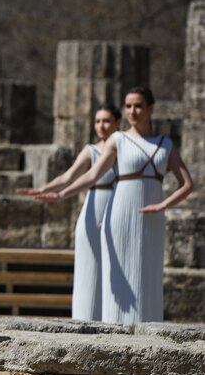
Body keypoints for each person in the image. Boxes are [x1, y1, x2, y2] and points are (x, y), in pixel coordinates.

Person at [37, 87, 193, 325]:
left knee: (147, 277)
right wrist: (62, 195)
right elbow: (92, 176)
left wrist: (162, 205)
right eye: (128, 106)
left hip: (151, 219)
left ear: (151, 108)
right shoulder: (117, 140)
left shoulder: (165, 144)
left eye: (138, 105)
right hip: (119, 215)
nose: (133, 111)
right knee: (119, 286)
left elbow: (187, 184)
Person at [17, 104, 121, 321]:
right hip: (93, 208)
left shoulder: (123, 148)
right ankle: (85, 318)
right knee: (89, 268)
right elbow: (69, 176)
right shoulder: (91, 150)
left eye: (106, 121)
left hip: (116, 208)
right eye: (98, 121)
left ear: (118, 123)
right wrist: (44, 189)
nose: (101, 126)